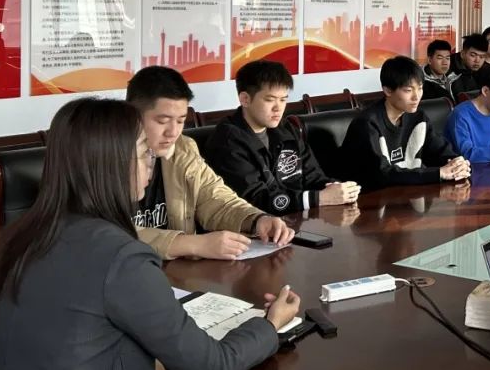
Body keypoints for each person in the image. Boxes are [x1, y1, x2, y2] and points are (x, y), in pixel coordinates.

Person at [0, 98, 299, 370]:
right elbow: (212, 368)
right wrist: (270, 325)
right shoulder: (121, 257)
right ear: (111, 165)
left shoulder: (22, 234)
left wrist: (153, 360)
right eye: (144, 153)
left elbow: (78, 331)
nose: (151, 163)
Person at [126, 66, 294, 260]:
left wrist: (256, 220)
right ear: (131, 116)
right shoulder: (105, 158)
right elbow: (106, 234)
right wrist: (192, 244)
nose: (173, 132)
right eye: (163, 121)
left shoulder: (183, 149)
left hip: (177, 271)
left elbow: (215, 200)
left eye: (180, 121)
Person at [206, 59, 360, 215]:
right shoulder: (227, 141)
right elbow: (255, 200)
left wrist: (336, 189)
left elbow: (313, 177)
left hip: (298, 220)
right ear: (245, 99)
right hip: (257, 226)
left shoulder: (286, 129)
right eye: (270, 100)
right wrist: (318, 198)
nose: (278, 108)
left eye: (283, 99)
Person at [340, 55, 471, 190]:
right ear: (388, 90)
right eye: (408, 90)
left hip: (408, 194)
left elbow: (440, 151)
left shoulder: (418, 117)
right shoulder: (366, 123)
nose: (416, 96)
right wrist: (438, 173)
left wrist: (457, 164)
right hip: (367, 197)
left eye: (420, 88)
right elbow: (382, 174)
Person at [450, 33, 489, 100]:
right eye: (473, 55)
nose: (477, 60)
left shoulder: (485, 70)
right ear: (462, 54)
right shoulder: (449, 69)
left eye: (482, 57)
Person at [421, 39, 460, 104]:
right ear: (429, 60)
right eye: (440, 58)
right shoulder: (421, 84)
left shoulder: (455, 77)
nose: (445, 63)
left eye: (447, 58)